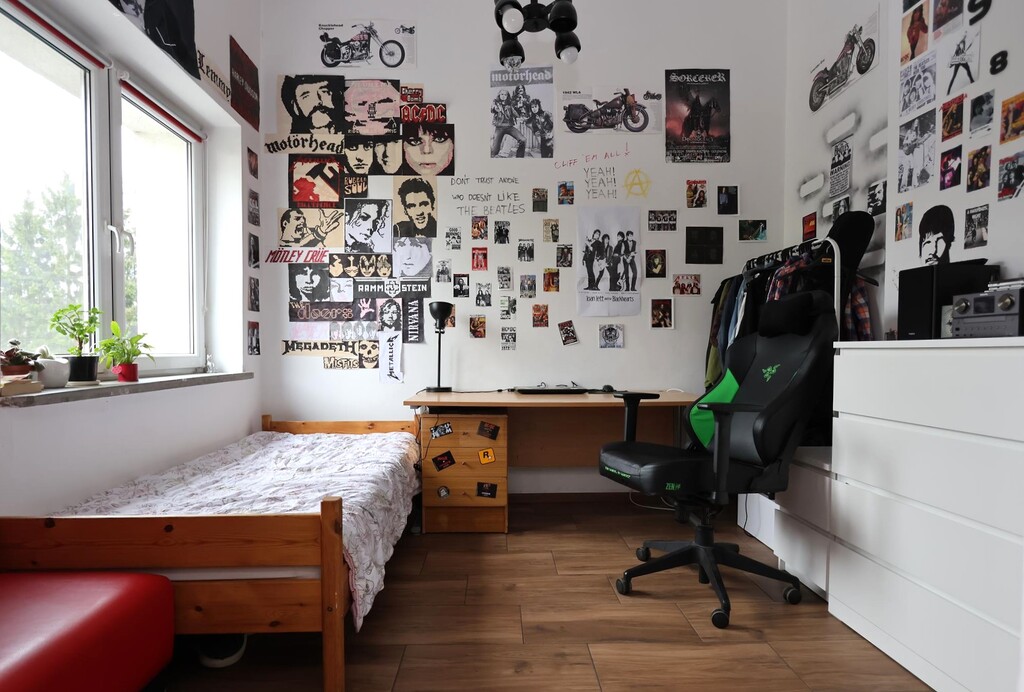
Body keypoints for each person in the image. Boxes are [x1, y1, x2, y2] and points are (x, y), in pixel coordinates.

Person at [490, 89, 526, 158]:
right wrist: (496, 109)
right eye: (502, 94)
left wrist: (521, 115)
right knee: (494, 150)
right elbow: (493, 109)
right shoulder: (495, 103)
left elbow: (516, 114)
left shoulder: (510, 104)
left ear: (507, 96)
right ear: (499, 95)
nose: (503, 96)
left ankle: (520, 158)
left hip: (509, 127)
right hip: (499, 127)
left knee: (523, 140)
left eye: (505, 94)